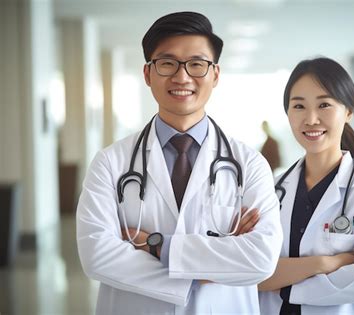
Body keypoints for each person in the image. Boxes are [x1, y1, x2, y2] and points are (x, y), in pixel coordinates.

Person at [76, 11, 283, 314]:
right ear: (148, 74)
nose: (182, 76)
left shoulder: (249, 165)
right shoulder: (110, 162)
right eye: (167, 63)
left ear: (215, 75)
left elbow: (261, 259)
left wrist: (157, 245)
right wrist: (207, 270)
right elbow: (97, 255)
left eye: (197, 64)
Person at [258, 57, 354, 314]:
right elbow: (254, 269)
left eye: (324, 105)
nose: (311, 119)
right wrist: (324, 263)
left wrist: (285, 285)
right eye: (298, 106)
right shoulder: (271, 189)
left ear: (348, 112)